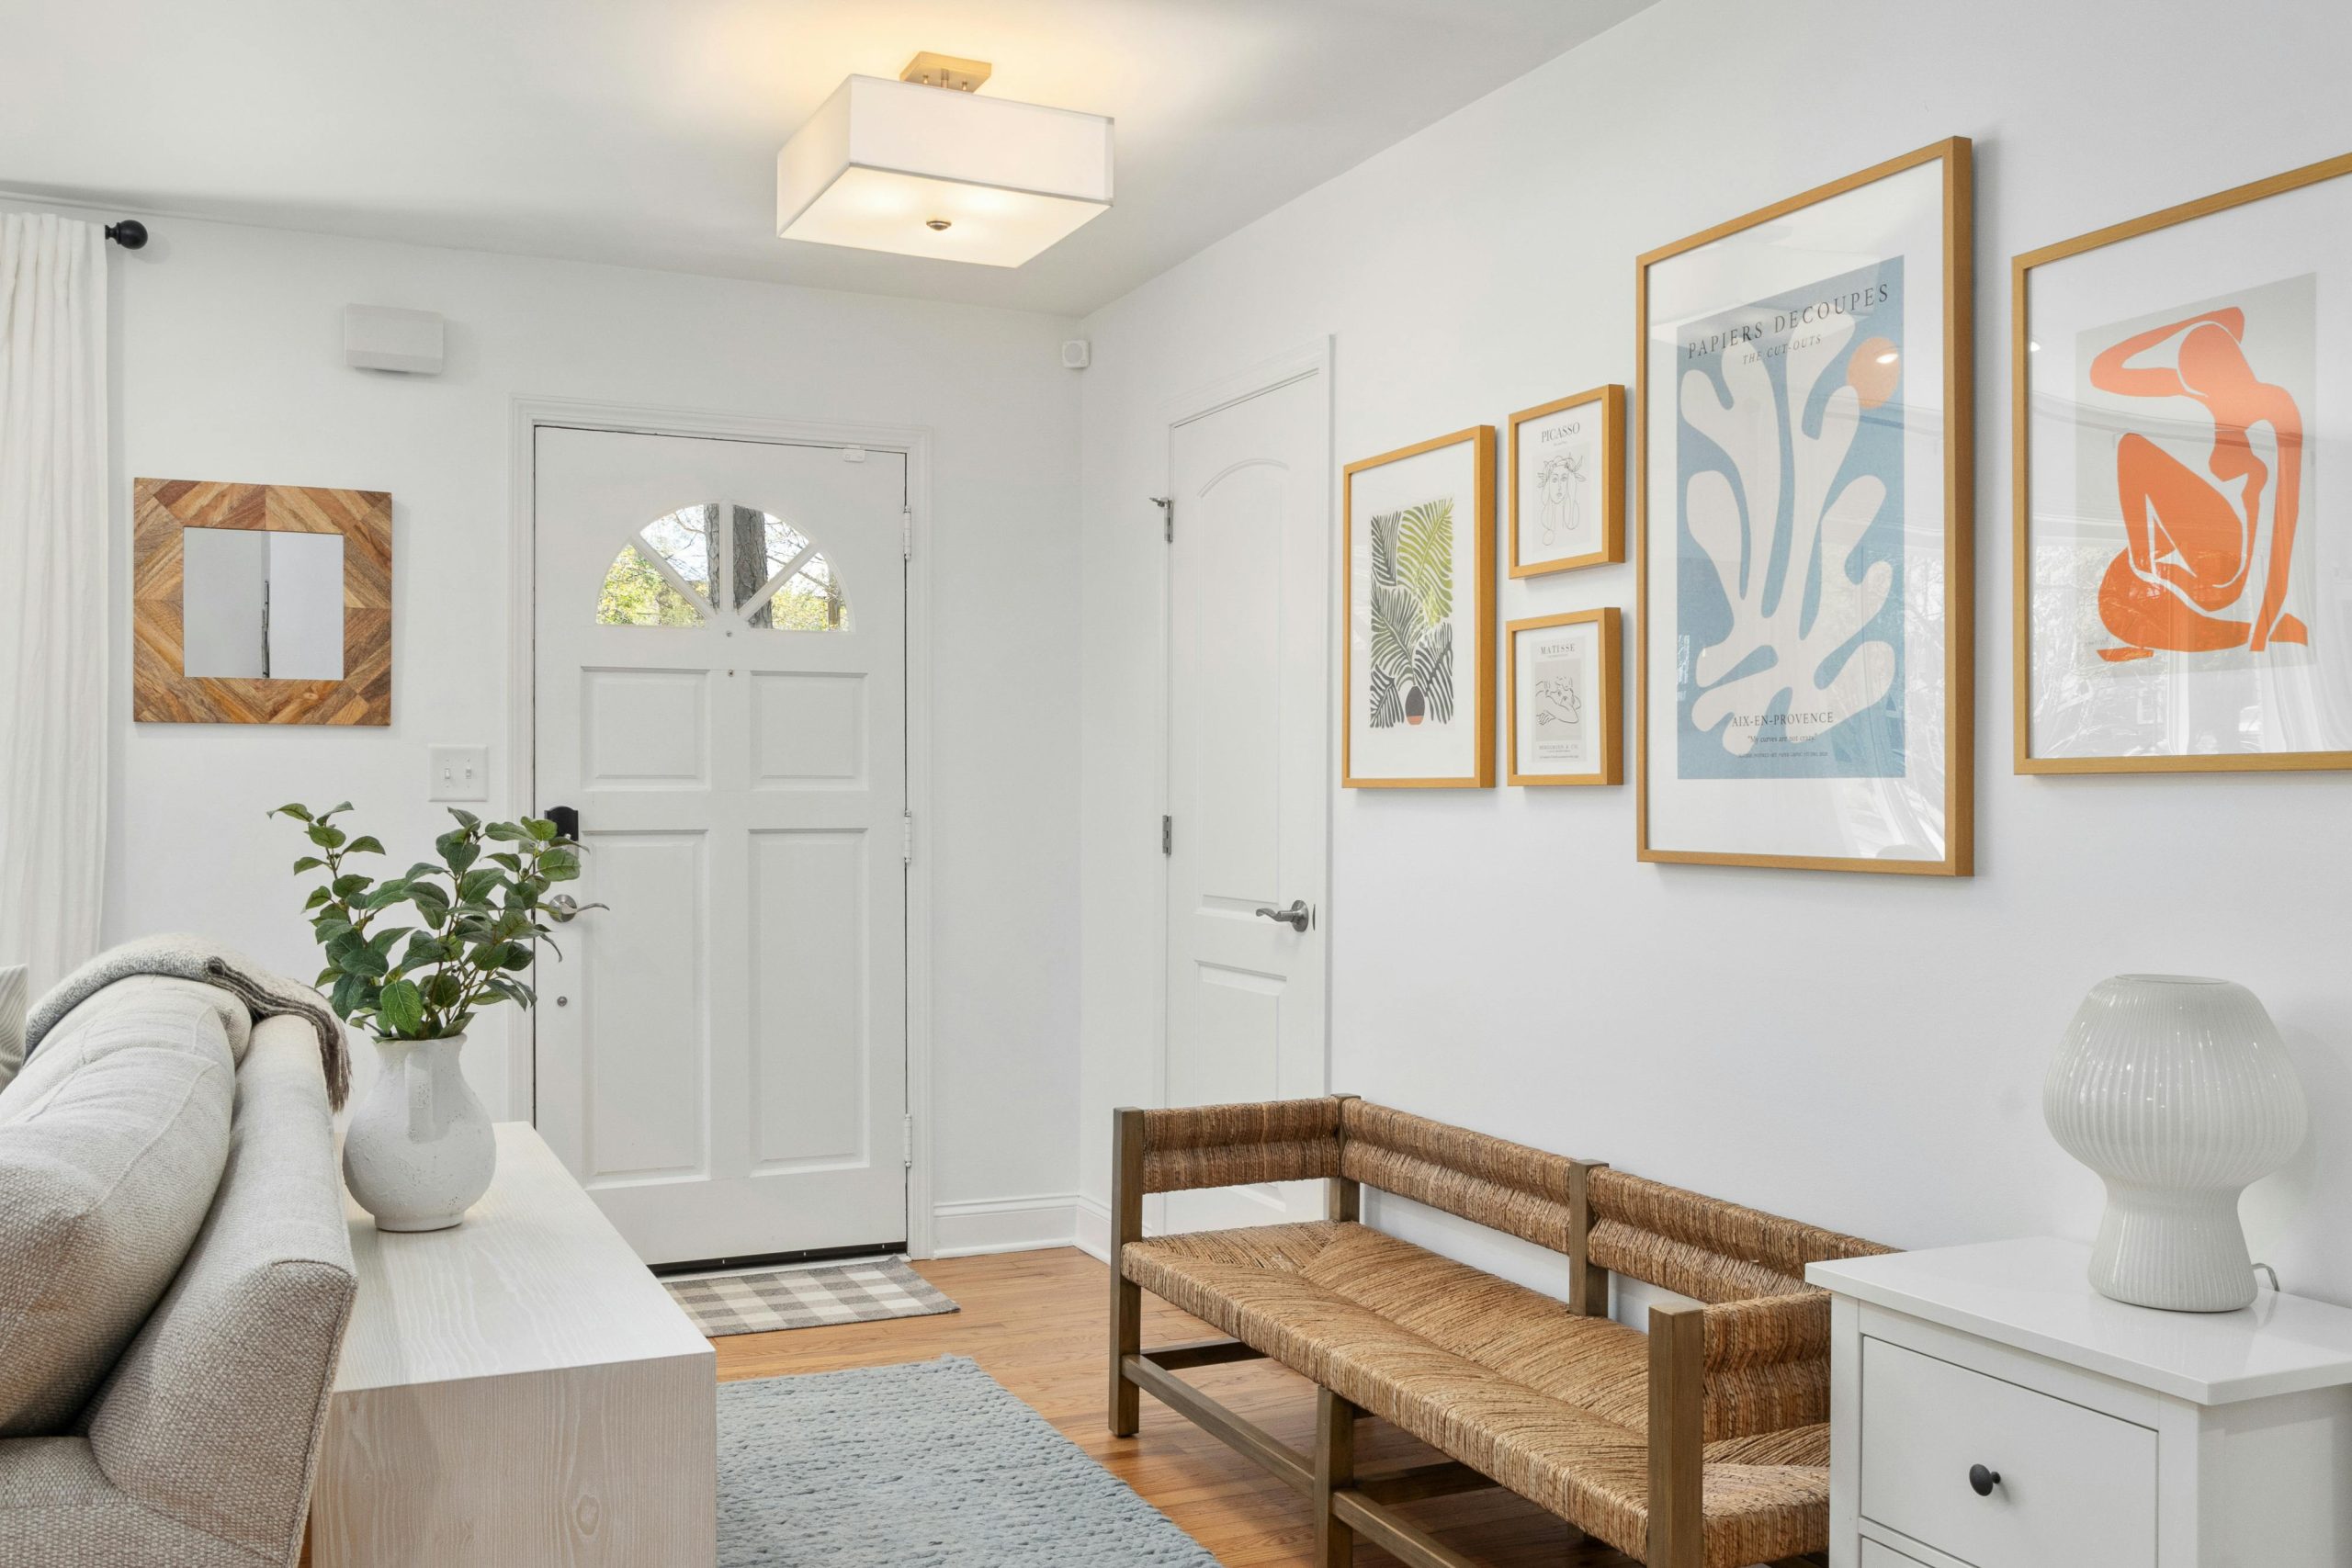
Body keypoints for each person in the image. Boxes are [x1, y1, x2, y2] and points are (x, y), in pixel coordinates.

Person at [2087, 306, 2306, 660]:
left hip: (2224, 577)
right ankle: (2146, 568)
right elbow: (2103, 371)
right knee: (2132, 446)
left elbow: (2286, 522)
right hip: (2189, 565)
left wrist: (2267, 622)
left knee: (2133, 447)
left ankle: (2148, 568)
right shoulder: (2195, 397)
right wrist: (2196, 321)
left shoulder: (2272, 403)